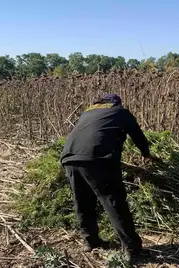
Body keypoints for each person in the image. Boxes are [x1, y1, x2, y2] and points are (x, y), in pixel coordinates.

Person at [60, 93, 152, 261]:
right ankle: (132, 249)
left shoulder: (87, 112)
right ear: (117, 103)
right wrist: (146, 154)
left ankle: (90, 241)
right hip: (97, 159)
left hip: (69, 158)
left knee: (83, 201)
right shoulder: (120, 112)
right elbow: (137, 134)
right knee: (113, 201)